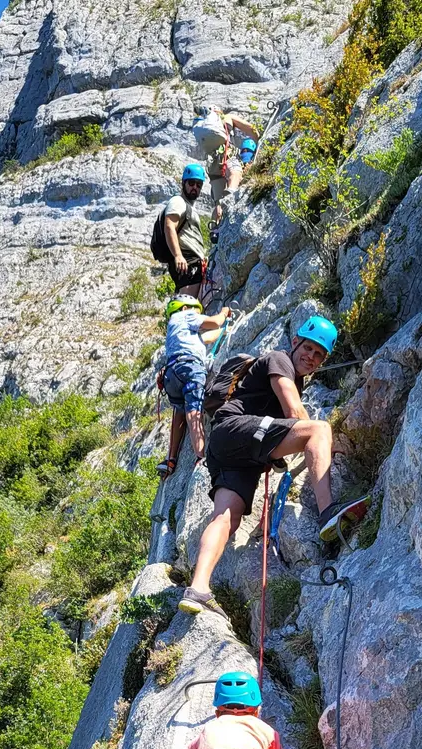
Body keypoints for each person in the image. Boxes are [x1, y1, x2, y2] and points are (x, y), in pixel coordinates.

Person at [178, 314, 345, 616]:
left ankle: (198, 588)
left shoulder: (289, 369)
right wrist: (325, 443)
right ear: (295, 343)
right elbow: (294, 412)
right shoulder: (279, 359)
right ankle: (328, 514)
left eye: (319, 354)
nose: (312, 356)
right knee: (319, 430)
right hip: (234, 429)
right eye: (308, 348)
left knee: (227, 517)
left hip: (231, 452)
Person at [157, 296, 232, 478]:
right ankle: (200, 456)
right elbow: (214, 323)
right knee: (194, 410)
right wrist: (224, 312)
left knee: (179, 412)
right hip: (190, 368)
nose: (198, 317)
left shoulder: (176, 328)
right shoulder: (185, 316)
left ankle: (171, 459)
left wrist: (226, 327)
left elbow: (207, 337)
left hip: (172, 374)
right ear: (185, 308)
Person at [163, 164, 209, 297]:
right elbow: (169, 226)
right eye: (191, 182)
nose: (195, 187)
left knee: (192, 307)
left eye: (199, 184)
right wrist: (178, 255)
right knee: (187, 307)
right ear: (183, 182)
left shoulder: (189, 207)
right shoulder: (178, 201)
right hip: (187, 262)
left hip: (193, 262)